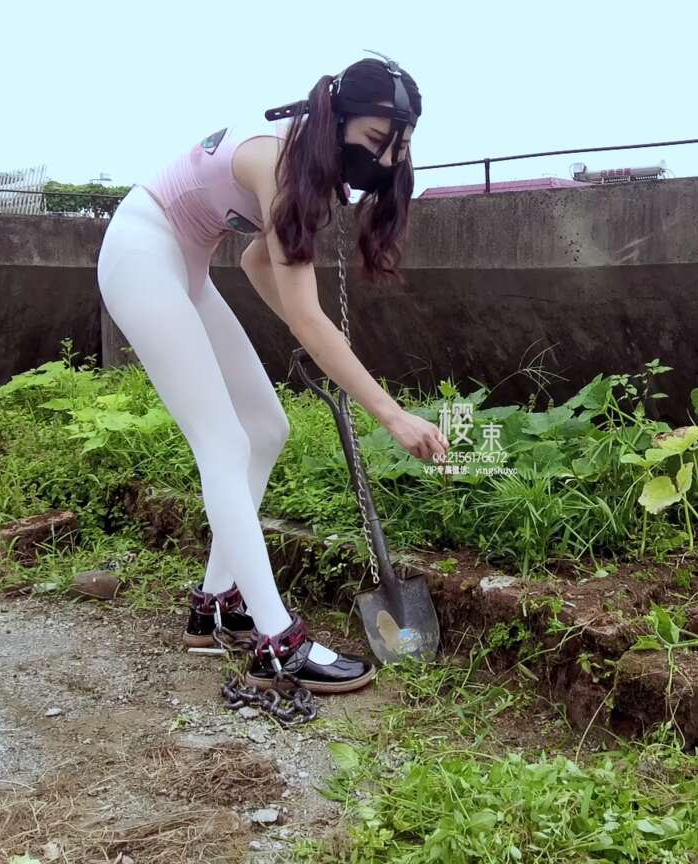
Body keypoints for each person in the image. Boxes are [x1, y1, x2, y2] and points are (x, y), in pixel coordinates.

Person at [95, 55, 448, 694]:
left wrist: (301, 316)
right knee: (224, 442)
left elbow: (261, 261)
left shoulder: (305, 176)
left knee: (266, 427)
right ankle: (274, 642)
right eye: (375, 142)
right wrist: (391, 414)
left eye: (400, 147)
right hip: (140, 254)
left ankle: (215, 607)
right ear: (336, 119)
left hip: (184, 268)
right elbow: (310, 321)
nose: (389, 160)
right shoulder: (283, 169)